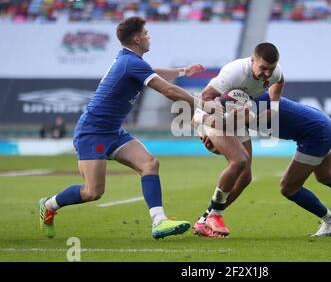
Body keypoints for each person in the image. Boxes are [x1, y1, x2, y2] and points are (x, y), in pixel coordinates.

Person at [38, 16, 206, 239]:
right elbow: (169, 91)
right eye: (146, 34)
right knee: (93, 192)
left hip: (113, 131)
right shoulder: (131, 63)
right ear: (137, 39)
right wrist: (202, 104)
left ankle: (159, 221)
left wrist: (183, 71)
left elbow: (153, 71)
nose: (148, 37)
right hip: (93, 132)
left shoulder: (130, 61)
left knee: (149, 164)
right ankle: (49, 205)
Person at [196, 92, 331, 237]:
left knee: (288, 187)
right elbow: (239, 156)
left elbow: (239, 157)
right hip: (319, 123)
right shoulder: (243, 109)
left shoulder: (251, 110)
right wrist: (216, 147)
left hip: (315, 133)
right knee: (326, 176)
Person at [192, 42, 285, 237]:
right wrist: (205, 130)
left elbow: (280, 80)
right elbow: (205, 96)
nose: (267, 74)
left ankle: (204, 220)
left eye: (271, 69)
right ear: (252, 61)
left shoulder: (275, 73)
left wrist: (273, 108)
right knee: (239, 160)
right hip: (211, 113)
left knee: (245, 177)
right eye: (263, 68)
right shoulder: (233, 72)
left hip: (237, 115)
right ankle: (215, 215)